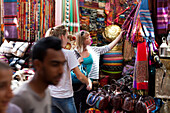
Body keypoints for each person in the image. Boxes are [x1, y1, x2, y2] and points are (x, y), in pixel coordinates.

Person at [11, 36, 66, 113]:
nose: (61, 71)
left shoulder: (45, 92)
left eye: (63, 64)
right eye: (55, 64)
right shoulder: (20, 100)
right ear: (38, 65)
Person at [73, 30, 124, 112]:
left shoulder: (94, 50)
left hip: (93, 83)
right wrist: (77, 62)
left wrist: (119, 36)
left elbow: (108, 47)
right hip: (79, 84)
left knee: (89, 107)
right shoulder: (74, 52)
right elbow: (70, 68)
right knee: (77, 105)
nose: (90, 39)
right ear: (82, 41)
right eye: (87, 38)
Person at [45, 25, 92, 113]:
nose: (67, 40)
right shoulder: (67, 54)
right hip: (64, 97)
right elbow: (80, 76)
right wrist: (88, 81)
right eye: (66, 37)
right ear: (62, 37)